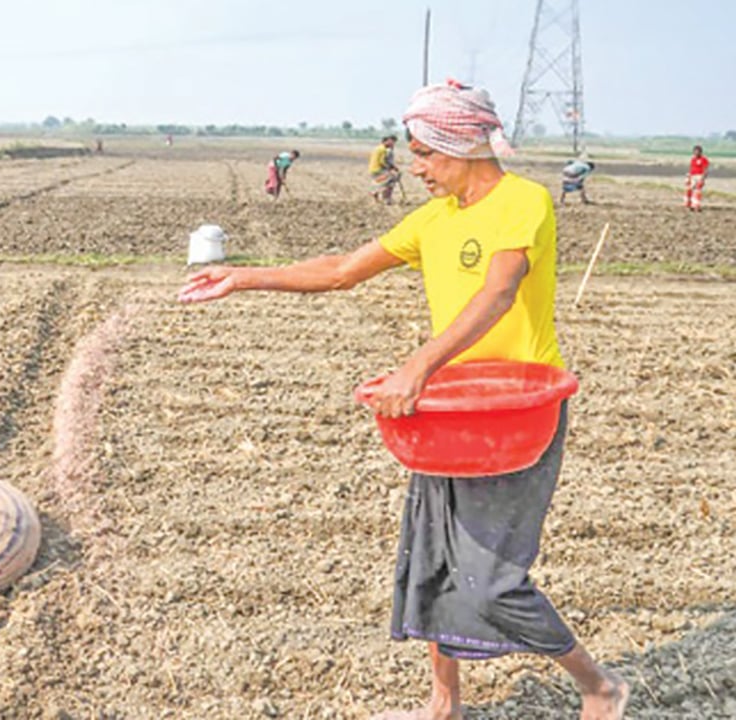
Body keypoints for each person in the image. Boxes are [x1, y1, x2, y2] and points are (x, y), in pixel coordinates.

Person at [178, 80, 628, 720]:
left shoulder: (521, 202)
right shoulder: (434, 219)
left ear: (463, 144)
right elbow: (341, 270)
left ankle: (599, 684)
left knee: (492, 580)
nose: (414, 167)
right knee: (433, 559)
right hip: (448, 413)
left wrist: (418, 364)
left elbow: (499, 292)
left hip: (515, 416)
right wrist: (244, 276)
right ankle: (443, 705)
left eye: (425, 153)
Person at [370, 135, 401, 204]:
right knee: (392, 179)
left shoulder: (378, 148)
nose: (392, 143)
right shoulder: (383, 149)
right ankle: (386, 198)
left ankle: (377, 197)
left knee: (381, 182)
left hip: (372, 169)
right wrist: (390, 168)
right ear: (386, 141)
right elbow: (382, 162)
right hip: (378, 170)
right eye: (391, 142)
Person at [685, 145, 709, 212]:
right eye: (695, 151)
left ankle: (697, 205)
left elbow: (705, 169)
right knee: (691, 190)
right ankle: (690, 204)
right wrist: (688, 176)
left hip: (699, 176)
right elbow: (691, 168)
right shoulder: (693, 159)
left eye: (698, 151)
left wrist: (703, 178)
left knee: (697, 191)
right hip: (693, 176)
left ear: (700, 152)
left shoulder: (703, 159)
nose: (696, 153)